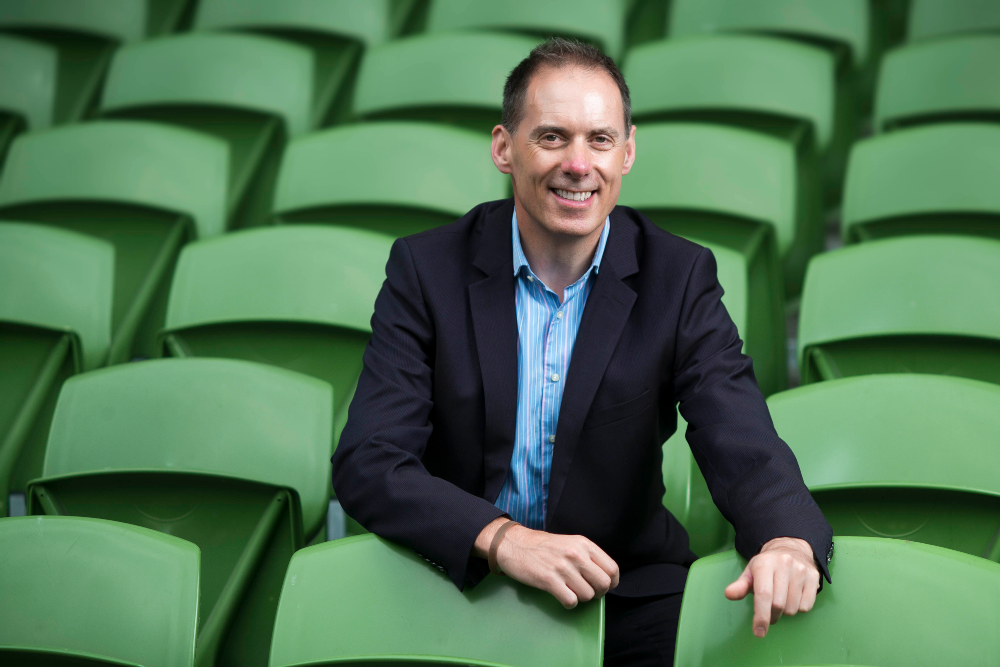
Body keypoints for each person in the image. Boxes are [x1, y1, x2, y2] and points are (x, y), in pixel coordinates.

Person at [332, 38, 833, 666]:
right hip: (458, 585)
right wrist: (500, 538)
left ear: (627, 153)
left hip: (621, 594)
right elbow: (370, 459)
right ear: (503, 148)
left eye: (599, 140)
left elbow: (738, 433)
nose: (578, 163)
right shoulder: (426, 269)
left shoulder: (677, 278)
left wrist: (787, 540)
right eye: (551, 137)